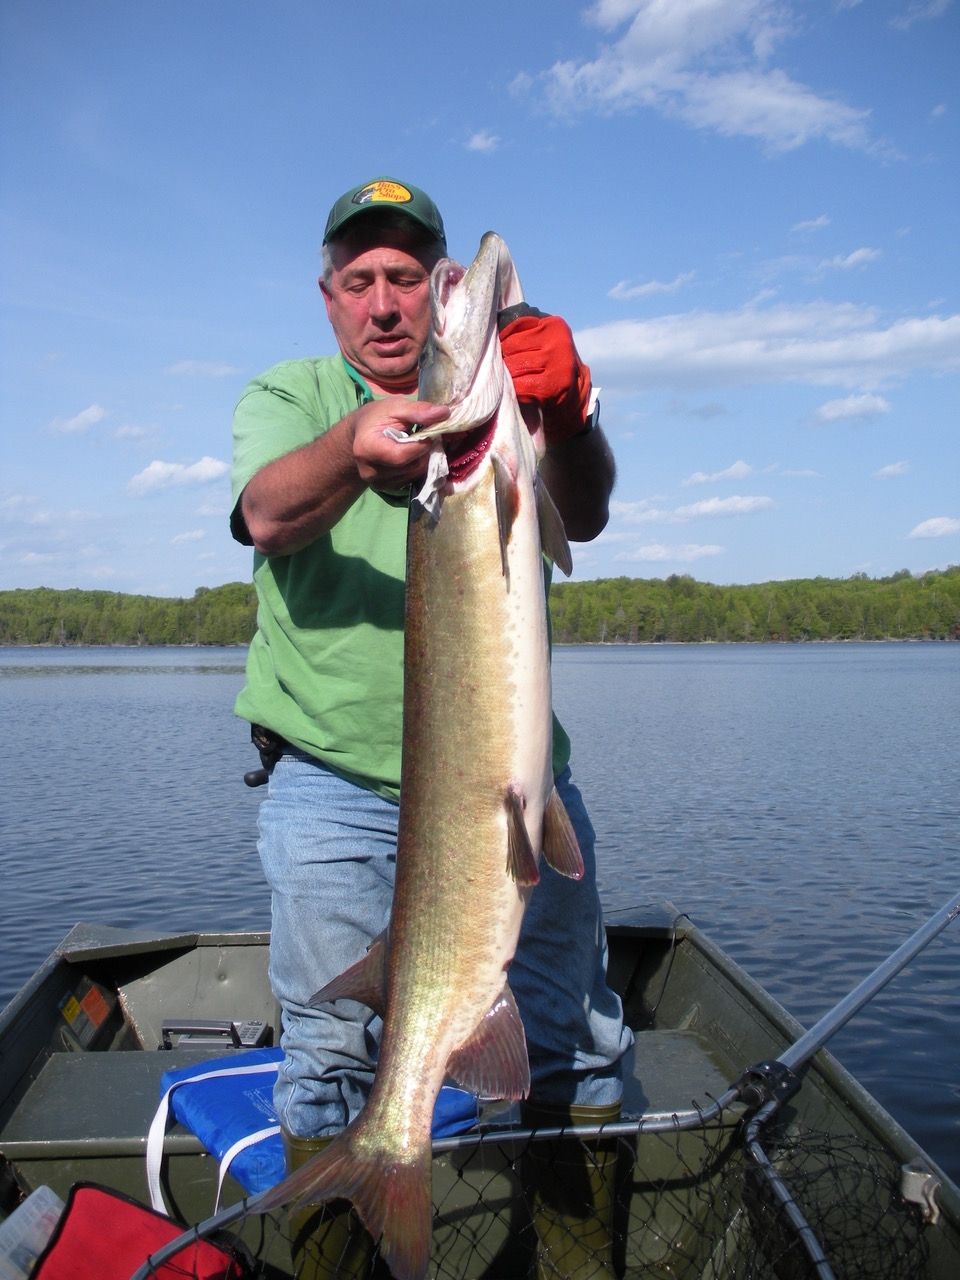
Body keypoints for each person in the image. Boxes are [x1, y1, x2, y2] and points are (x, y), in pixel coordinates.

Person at [231, 176, 633, 1278]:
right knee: (325, 1058)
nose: (388, 302)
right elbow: (266, 510)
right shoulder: (293, 392)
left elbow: (583, 512)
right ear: (330, 301)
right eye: (359, 280)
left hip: (515, 788)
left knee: (578, 1037)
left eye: (408, 276)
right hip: (328, 787)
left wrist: (570, 415)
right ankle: (356, 1204)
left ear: (437, 284)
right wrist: (355, 446)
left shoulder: (494, 420)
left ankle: (576, 1258)